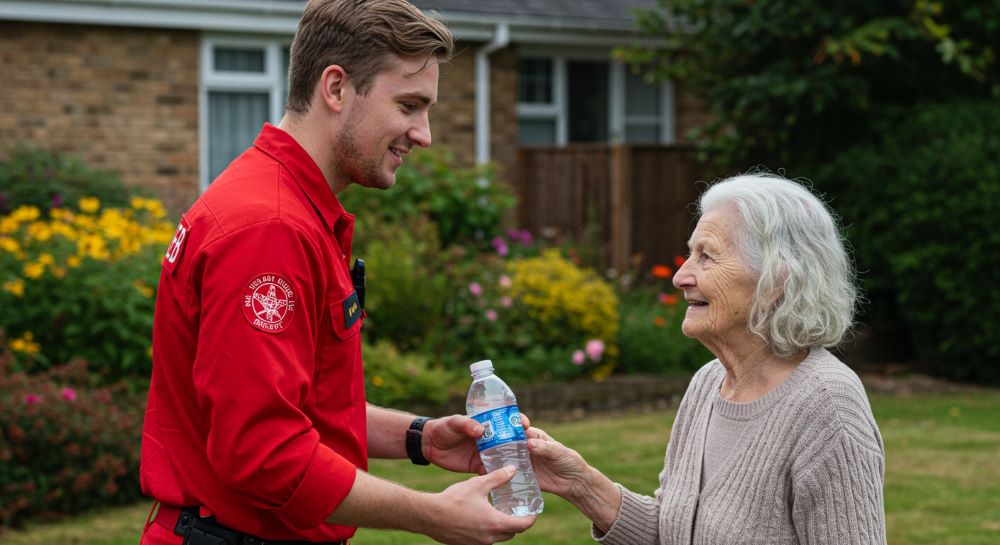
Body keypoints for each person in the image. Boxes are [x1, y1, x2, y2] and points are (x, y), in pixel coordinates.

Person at [138, 1, 535, 544]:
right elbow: (265, 455)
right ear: (336, 88)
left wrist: (420, 438)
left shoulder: (285, 204)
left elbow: (304, 408)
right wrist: (430, 513)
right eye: (409, 105)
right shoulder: (269, 228)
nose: (424, 133)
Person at [526, 173, 887, 544]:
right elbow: (674, 533)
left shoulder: (828, 405)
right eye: (689, 255)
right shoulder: (708, 383)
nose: (681, 276)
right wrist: (579, 484)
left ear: (776, 281)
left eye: (707, 256)